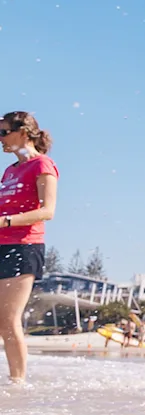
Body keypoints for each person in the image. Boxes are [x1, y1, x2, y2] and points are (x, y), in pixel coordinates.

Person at [0, 112, 58, 385]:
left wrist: (6, 221)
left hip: (24, 247)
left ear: (23, 133)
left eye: (3, 132)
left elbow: (47, 211)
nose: (0, 139)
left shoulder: (42, 164)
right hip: (2, 245)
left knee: (9, 320)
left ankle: (18, 384)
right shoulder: (10, 170)